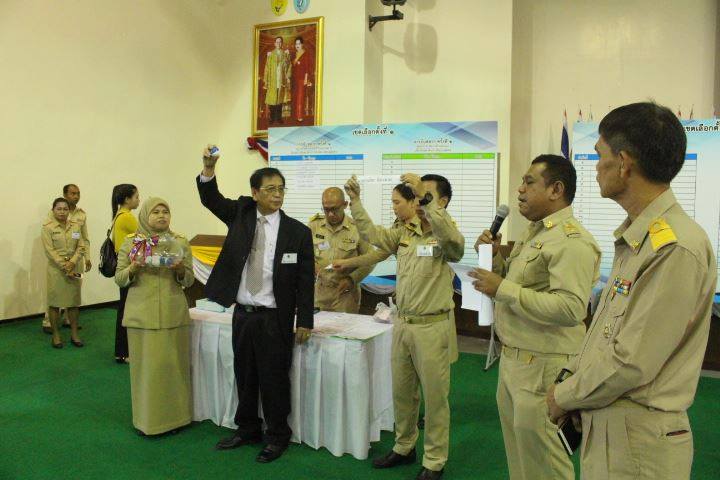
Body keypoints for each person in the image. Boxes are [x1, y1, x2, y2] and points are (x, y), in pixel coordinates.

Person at [546, 102, 716, 480]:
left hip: (639, 444)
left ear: (623, 163)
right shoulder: (640, 238)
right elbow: (606, 334)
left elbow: (631, 362)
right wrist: (571, 379)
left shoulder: (674, 247)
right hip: (616, 431)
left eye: (599, 155)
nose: (595, 167)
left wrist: (564, 395)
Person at [470, 155, 600, 480]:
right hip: (514, 362)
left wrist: (502, 288)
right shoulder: (535, 233)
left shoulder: (571, 241)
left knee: (546, 466)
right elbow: (519, 285)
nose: (520, 189)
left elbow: (571, 309)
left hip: (544, 367)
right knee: (522, 463)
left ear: (556, 189)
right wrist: (495, 260)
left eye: (529, 182)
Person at [196, 146, 314, 463]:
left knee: (274, 379)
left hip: (275, 318)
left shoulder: (298, 232)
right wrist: (208, 169)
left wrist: (304, 320)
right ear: (255, 193)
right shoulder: (241, 214)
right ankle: (247, 428)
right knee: (245, 375)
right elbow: (211, 199)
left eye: (281, 189)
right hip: (243, 315)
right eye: (270, 189)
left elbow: (305, 281)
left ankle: (277, 436)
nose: (277, 195)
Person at [345, 173, 464, 480]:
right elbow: (373, 235)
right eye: (417, 195)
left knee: (435, 400)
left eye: (426, 195)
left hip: (432, 327)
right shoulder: (405, 231)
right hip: (403, 323)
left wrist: (427, 201)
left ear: (442, 201)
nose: (419, 200)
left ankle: (434, 460)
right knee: (402, 393)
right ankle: (404, 446)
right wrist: (356, 202)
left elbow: (456, 248)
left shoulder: (446, 234)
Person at [114, 197, 194, 436]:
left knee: (174, 369)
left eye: (165, 212)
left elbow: (189, 280)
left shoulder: (179, 242)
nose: (161, 216)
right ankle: (148, 423)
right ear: (145, 216)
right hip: (142, 316)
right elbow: (119, 278)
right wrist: (134, 267)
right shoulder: (133, 242)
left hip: (173, 313)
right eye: (156, 212)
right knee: (147, 373)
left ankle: (177, 419)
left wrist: (180, 269)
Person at [309, 187, 385, 313]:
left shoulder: (357, 229)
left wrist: (352, 279)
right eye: (326, 209)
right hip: (319, 292)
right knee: (317, 325)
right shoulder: (314, 226)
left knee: (344, 326)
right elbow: (304, 254)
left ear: (345, 205)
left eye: (334, 209)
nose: (330, 214)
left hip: (345, 294)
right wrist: (311, 265)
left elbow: (371, 260)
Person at [332, 183, 417, 272]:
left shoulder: (423, 227)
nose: (394, 207)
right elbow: (378, 255)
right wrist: (346, 263)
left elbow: (372, 233)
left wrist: (355, 200)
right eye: (393, 203)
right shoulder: (399, 227)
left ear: (412, 202)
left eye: (397, 203)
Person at [41, 184, 91, 333]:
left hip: (76, 261)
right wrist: (63, 263)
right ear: (65, 194)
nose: (76, 196)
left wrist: (87, 257)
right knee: (55, 294)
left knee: (74, 291)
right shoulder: (53, 213)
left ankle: (68, 319)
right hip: (58, 263)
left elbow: (84, 238)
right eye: (72, 193)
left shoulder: (81, 214)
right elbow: (49, 240)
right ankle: (48, 321)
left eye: (78, 193)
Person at [111, 184, 140, 364]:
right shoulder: (127, 217)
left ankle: (122, 351)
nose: (139, 200)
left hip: (124, 267)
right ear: (127, 199)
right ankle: (124, 351)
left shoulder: (118, 215)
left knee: (124, 308)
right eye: (136, 197)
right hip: (129, 268)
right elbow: (145, 237)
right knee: (127, 310)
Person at [263, 36, 291, 125]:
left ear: (282, 44)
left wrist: (287, 77)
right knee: (272, 100)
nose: (278, 43)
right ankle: (272, 118)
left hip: (281, 80)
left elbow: (289, 66)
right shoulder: (270, 55)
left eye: (280, 42)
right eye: (277, 42)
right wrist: (266, 80)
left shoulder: (285, 54)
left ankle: (279, 118)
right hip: (272, 80)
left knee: (280, 100)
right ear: (275, 43)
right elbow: (267, 68)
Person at [291, 36, 312, 123]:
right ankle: (295, 116)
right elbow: (292, 66)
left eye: (299, 44)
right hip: (295, 79)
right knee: (295, 98)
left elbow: (307, 68)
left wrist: (306, 79)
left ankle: (300, 116)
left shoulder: (305, 54)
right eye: (296, 44)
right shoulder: (294, 54)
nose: (297, 45)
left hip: (302, 79)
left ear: (302, 44)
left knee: (300, 98)